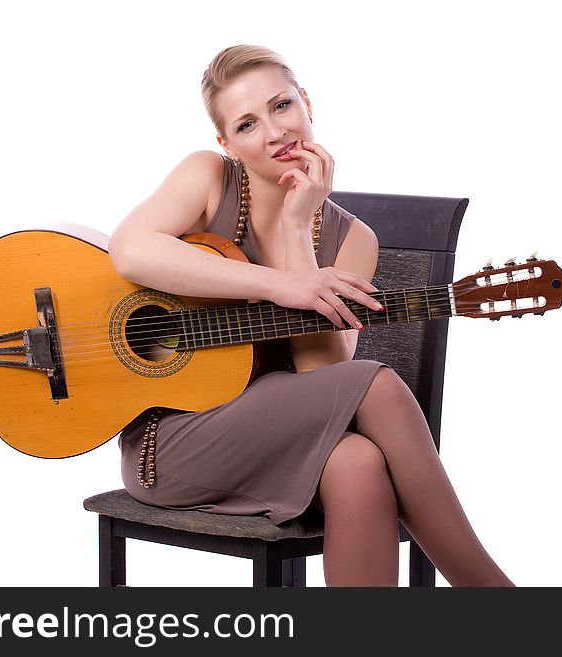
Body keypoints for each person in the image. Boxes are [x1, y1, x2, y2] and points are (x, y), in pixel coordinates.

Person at [108, 44, 514, 587]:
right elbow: (130, 249)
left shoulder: (354, 240)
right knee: (379, 386)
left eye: (281, 106)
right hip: (174, 443)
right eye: (247, 124)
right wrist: (283, 284)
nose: (274, 133)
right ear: (227, 143)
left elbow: (324, 383)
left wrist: (299, 229)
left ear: (307, 104)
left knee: (359, 463)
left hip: (289, 440)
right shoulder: (209, 178)